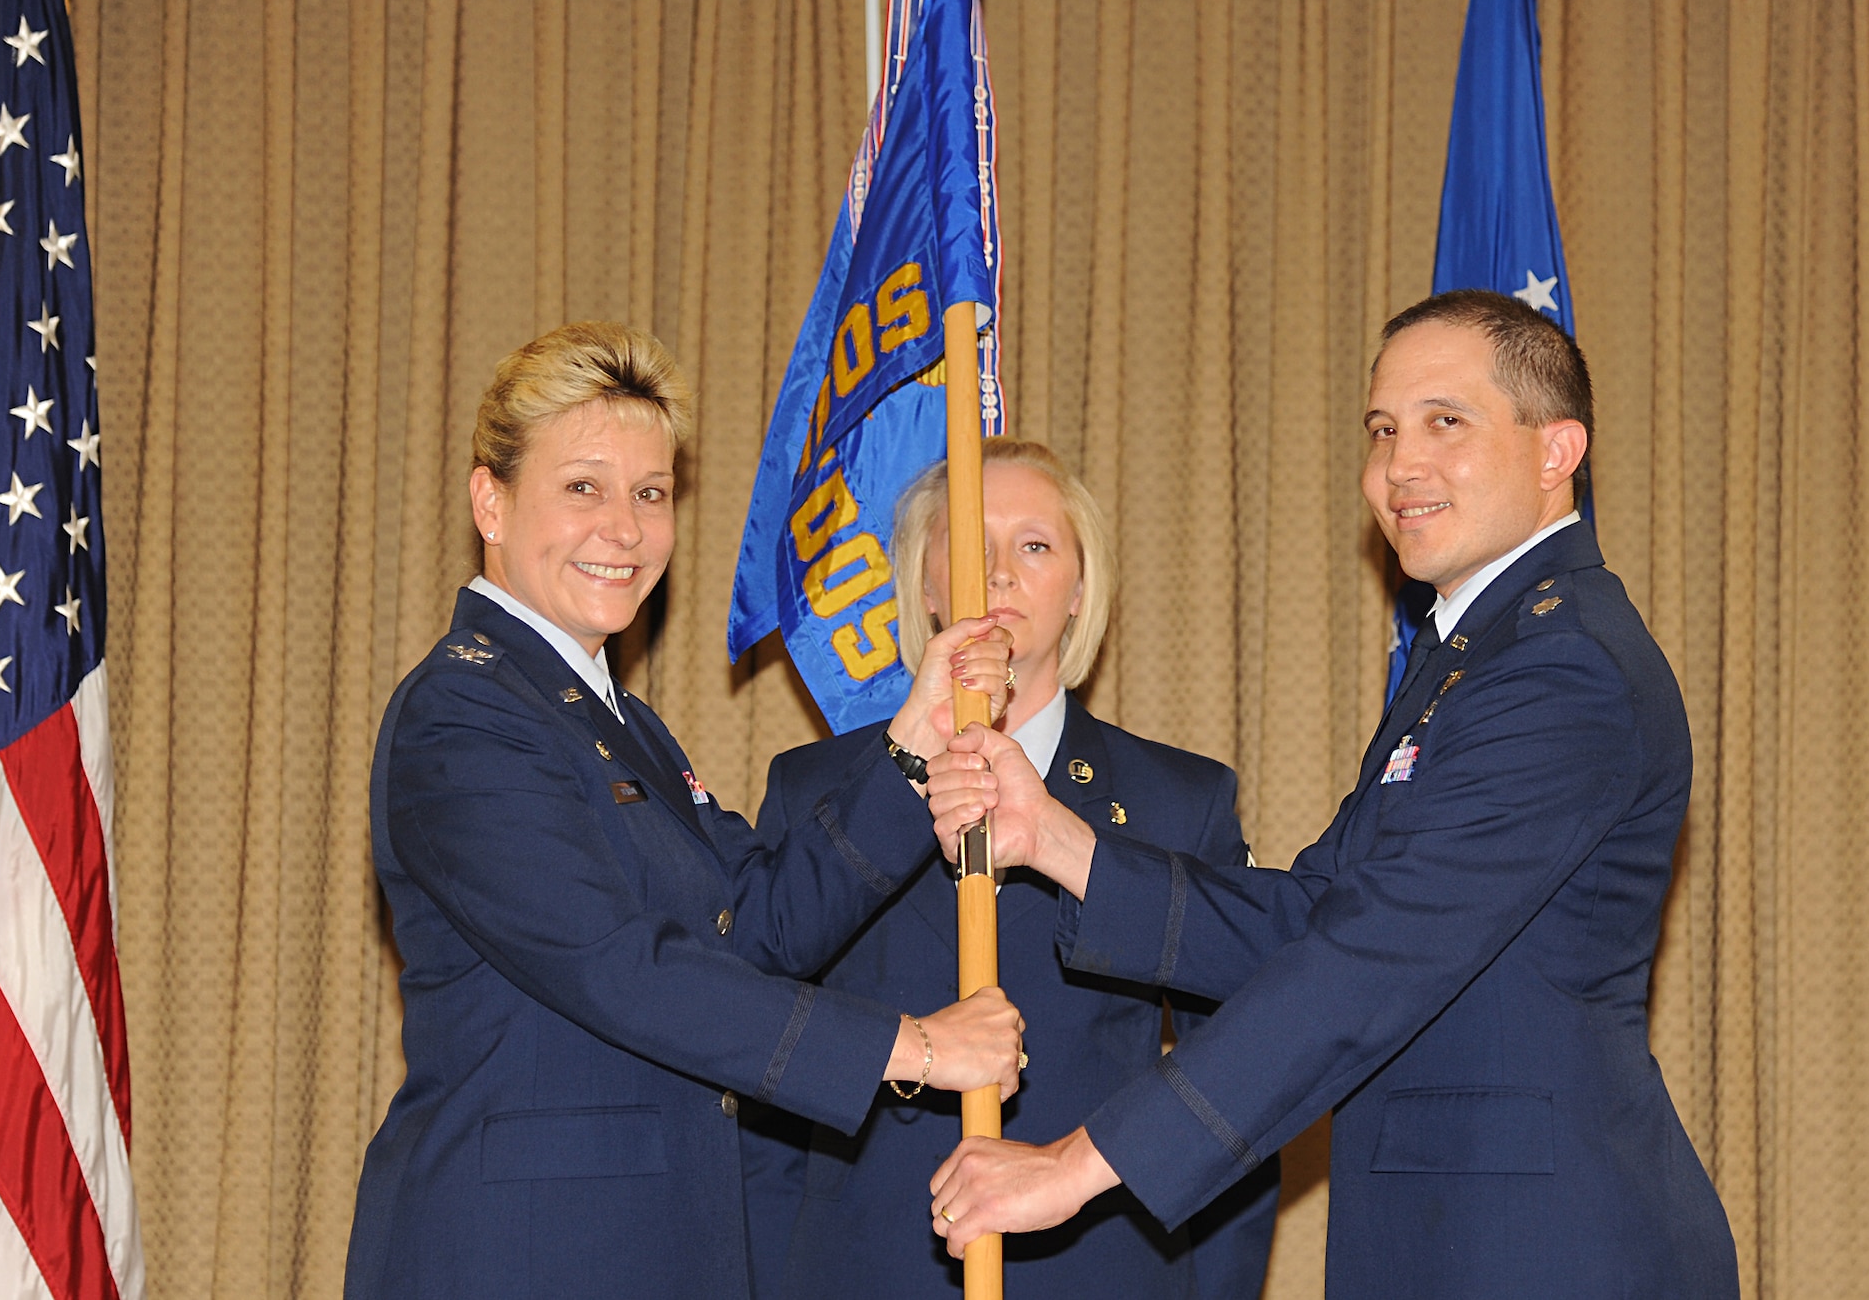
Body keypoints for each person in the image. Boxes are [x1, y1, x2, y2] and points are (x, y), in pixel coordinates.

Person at [920, 292, 1741, 1298]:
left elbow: (1367, 958)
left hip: (1542, 1249)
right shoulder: (1468, 662)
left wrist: (1076, 1164)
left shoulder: (1559, 667)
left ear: (1553, 449)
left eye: (1447, 422)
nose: (1399, 464)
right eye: (1382, 429)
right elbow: (1314, 917)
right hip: (1445, 1240)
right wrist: (1054, 840)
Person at [343, 322, 1027, 1300]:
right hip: (518, 1257)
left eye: (649, 493)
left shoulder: (625, 727)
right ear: (488, 500)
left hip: (660, 1249)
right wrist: (912, 1047)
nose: (622, 529)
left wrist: (911, 743)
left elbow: (755, 923)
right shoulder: (462, 713)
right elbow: (620, 967)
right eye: (583, 486)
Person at [740, 439, 1279, 1299]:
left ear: (1078, 588)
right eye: (968, 542)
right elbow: (758, 1075)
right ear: (920, 584)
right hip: (860, 1266)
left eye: (1035, 545)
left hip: (1102, 1268)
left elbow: (1245, 1073)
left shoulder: (1181, 801)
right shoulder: (816, 791)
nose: (997, 573)